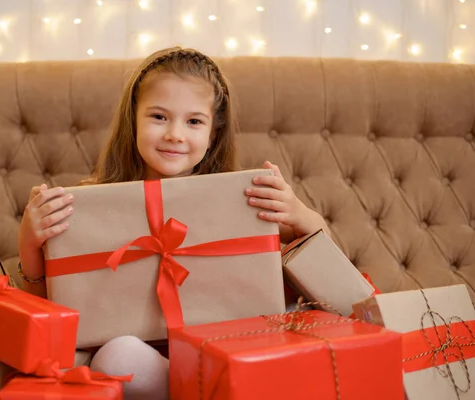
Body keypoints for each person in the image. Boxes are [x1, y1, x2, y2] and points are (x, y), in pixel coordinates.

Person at [17, 46, 328, 399]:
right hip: (151, 366)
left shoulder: (241, 198)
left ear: (213, 134)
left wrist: (298, 212)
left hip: (227, 348)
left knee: (287, 319)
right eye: (159, 117)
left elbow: (325, 266)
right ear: (132, 119)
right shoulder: (93, 201)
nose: (175, 135)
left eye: (194, 121)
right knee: (116, 357)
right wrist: (29, 241)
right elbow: (49, 307)